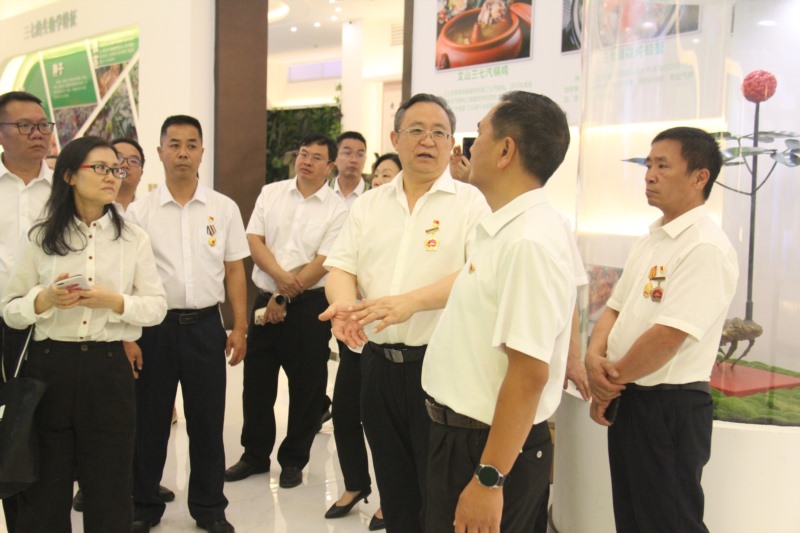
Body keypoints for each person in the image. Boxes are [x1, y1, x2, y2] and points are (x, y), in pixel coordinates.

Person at [321, 93, 491, 533]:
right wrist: (343, 305)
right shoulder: (370, 204)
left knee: (440, 496)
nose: (427, 140)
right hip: (377, 366)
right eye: (416, 130)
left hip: (441, 368)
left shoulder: (470, 203)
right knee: (395, 491)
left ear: (452, 143)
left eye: (439, 132)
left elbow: (477, 273)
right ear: (395, 139)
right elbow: (341, 267)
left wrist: (409, 302)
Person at [420, 91, 585, 533]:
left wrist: (489, 479)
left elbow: (529, 372)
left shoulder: (527, 242)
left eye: (479, 135)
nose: (469, 147)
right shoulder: (505, 229)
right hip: (467, 438)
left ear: (506, 150)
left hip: (487, 447)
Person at [1, 135, 167, 532]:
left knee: (110, 490)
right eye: (101, 168)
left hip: (108, 370)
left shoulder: (133, 238)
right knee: (45, 491)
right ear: (70, 176)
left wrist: (114, 301)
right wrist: (43, 299)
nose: (113, 176)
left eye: (117, 169)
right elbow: (10, 310)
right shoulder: (40, 236)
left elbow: (156, 307)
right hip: (49, 369)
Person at [585, 127, 738, 533]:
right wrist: (594, 358)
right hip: (630, 396)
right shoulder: (651, 240)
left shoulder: (704, 247)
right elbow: (613, 309)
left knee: (669, 522)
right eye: (648, 164)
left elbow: (667, 337)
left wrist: (607, 383)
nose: (650, 175)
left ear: (699, 177)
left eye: (663, 166)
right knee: (633, 518)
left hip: (670, 407)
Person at [128, 115, 249, 533]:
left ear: (201, 152)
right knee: (150, 421)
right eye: (174, 144)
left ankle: (209, 508)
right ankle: (143, 505)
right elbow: (129, 277)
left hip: (205, 328)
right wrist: (129, 336)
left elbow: (234, 270)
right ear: (160, 152)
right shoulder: (139, 212)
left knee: (207, 422)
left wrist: (239, 327)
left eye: (191, 145)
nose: (183, 153)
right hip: (154, 330)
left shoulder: (223, 208)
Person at [224, 134, 347, 491]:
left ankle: (293, 460)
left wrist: (285, 295)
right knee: (256, 384)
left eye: (316, 157)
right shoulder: (271, 192)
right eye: (303, 154)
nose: (306, 161)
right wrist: (279, 283)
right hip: (266, 297)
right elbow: (254, 240)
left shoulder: (338, 209)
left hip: (309, 306)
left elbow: (325, 260)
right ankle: (254, 455)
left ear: (330, 166)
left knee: (307, 388)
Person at [69, 136, 177, 513]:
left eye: (131, 161)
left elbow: (147, 284)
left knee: (140, 412)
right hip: (97, 332)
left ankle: (140, 481)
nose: (122, 168)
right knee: (91, 418)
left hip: (140, 321)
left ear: (142, 169)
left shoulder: (145, 215)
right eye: (115, 161)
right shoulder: (83, 215)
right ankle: (89, 484)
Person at [0, 90, 54, 532]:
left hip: (44, 324)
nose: (38, 134)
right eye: (25, 126)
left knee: (38, 431)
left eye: (43, 125)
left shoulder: (65, 190)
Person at [325, 132, 385, 529]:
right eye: (378, 177)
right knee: (345, 414)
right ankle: (355, 484)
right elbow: (340, 268)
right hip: (356, 337)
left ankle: (391, 497)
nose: (382, 183)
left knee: (384, 425)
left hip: (394, 342)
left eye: (389, 177)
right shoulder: (362, 218)